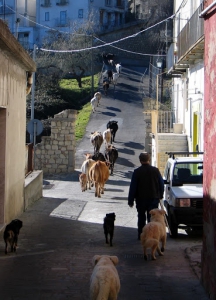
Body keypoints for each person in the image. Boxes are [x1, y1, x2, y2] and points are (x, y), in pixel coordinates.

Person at [128, 152, 164, 240]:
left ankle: (141, 235)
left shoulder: (137, 172)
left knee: (141, 217)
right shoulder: (155, 171)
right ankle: (151, 234)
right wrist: (160, 195)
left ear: (140, 161)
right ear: (149, 160)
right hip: (153, 198)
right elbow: (161, 184)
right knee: (151, 218)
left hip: (141, 199)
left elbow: (133, 187)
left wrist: (131, 200)